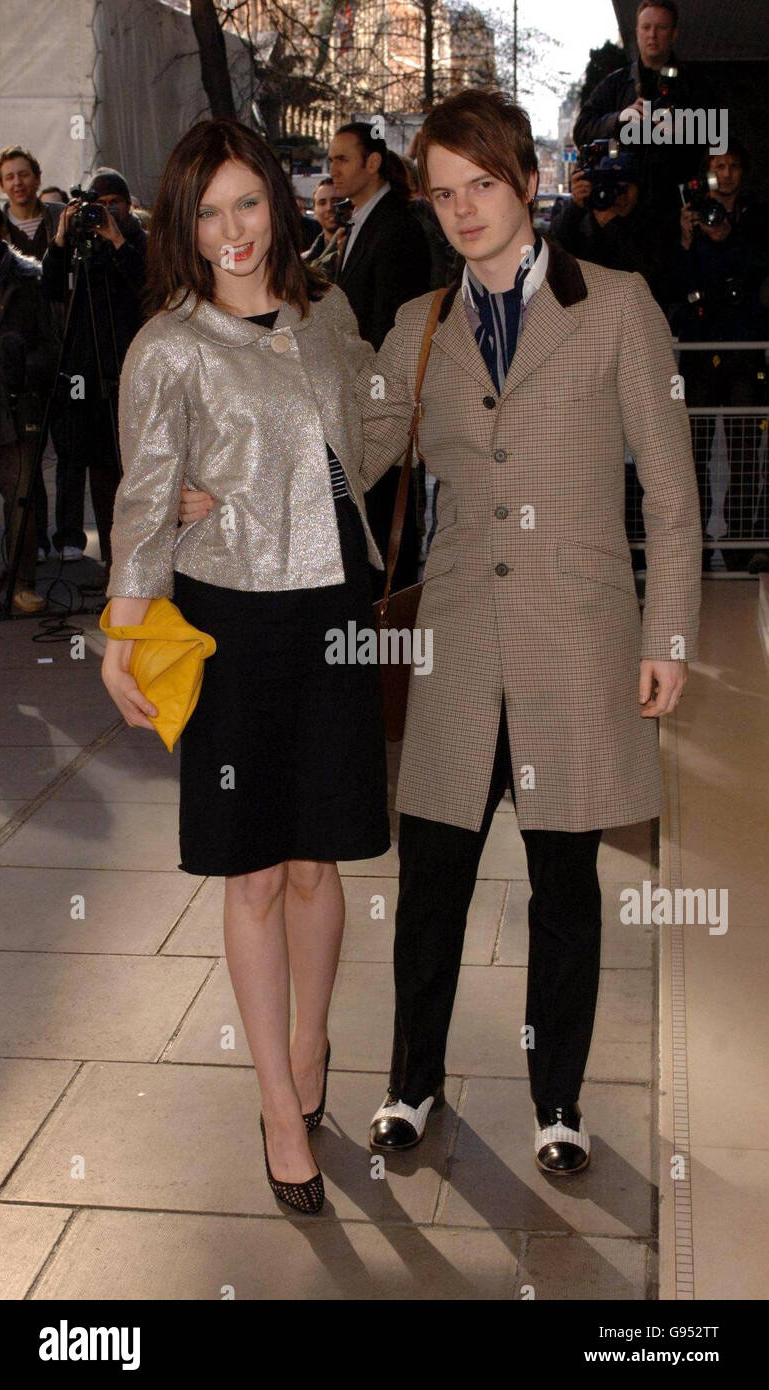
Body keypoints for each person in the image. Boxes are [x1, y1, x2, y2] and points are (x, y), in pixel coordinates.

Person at [353, 89, 701, 1175]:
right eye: (443, 193)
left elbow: (673, 495)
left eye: (481, 187)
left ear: (527, 181)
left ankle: (558, 1101)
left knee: (565, 891)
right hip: (458, 645)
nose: (463, 211)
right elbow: (345, 452)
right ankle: (411, 1083)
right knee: (432, 886)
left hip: (579, 646)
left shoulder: (619, 306)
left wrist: (671, 636)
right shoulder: (418, 330)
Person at [101, 118, 390, 1215]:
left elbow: (368, 441)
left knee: (323, 863)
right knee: (256, 870)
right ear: (184, 225)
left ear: (279, 202)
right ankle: (279, 1104)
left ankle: (311, 1041)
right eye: (208, 212)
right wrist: (127, 630)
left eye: (248, 204)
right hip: (231, 622)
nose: (232, 231)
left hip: (334, 610)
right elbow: (141, 499)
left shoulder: (330, 319)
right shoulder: (166, 347)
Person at [328, 122, 431, 594]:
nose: (334, 169)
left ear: (372, 162)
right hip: (363, 402)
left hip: (384, 405)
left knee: (392, 530)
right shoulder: (359, 222)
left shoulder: (396, 226)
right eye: (331, 160)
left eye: (343, 159)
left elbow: (393, 323)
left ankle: (391, 631)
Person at [41, 168, 147, 567]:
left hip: (132, 370)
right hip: (87, 373)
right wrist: (61, 239)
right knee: (99, 468)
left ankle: (142, 562)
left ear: (127, 204)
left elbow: (149, 289)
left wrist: (117, 241)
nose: (104, 214)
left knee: (136, 470)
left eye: (112, 205)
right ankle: (112, 564)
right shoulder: (81, 245)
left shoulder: (140, 242)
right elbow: (50, 288)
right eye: (97, 207)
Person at [672, 142, 769, 572]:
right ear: (707, 174)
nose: (726, 174)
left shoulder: (757, 217)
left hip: (744, 347)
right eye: (718, 167)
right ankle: (689, 544)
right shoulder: (692, 214)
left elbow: (757, 270)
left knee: (746, 446)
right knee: (690, 450)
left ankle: (742, 543)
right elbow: (677, 280)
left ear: (742, 173)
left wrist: (730, 237)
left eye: (732, 166)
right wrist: (687, 238)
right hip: (699, 346)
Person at [574, 1, 715, 248]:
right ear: (637, 32)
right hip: (619, 212)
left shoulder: (695, 87)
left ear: (674, 34)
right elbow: (582, 130)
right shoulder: (616, 84)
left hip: (672, 218)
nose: (652, 35)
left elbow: (717, 141)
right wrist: (618, 119)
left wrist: (681, 127)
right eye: (646, 27)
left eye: (660, 28)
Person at [0, 145, 66, 560]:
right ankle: (33, 538)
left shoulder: (59, 220)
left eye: (24, 174)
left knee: (69, 451)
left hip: (62, 340)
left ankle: (68, 535)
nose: (18, 182)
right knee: (30, 452)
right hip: (20, 355)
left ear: (37, 177)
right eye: (9, 177)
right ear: (2, 185)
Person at [0, 201, 58, 613]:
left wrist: (27, 369)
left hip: (19, 407)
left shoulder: (29, 279)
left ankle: (21, 583)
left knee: (21, 501)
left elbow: (50, 344)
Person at [550, 151, 671, 308]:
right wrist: (575, 208)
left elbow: (650, 277)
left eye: (625, 188)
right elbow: (555, 246)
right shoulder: (582, 221)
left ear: (638, 189)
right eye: (612, 187)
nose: (619, 195)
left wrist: (611, 225)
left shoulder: (651, 225)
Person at [301, 176, 342, 280]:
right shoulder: (303, 263)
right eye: (322, 203)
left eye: (336, 201)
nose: (329, 208)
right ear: (314, 211)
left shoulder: (358, 249)